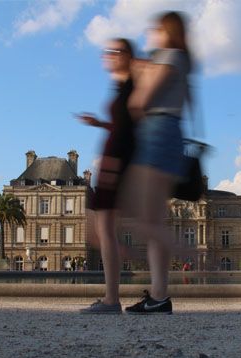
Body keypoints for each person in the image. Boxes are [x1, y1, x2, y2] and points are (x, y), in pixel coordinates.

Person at [123, 11, 192, 315]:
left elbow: (141, 101)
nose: (151, 32)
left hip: (157, 133)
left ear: (168, 31)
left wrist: (140, 78)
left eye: (156, 28)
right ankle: (159, 296)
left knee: (141, 216)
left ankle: (192, 255)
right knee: (153, 219)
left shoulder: (171, 57)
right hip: (167, 132)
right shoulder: (177, 60)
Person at [79, 38, 137, 315]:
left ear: (127, 54)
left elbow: (131, 127)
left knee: (102, 228)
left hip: (116, 160)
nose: (109, 56)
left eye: (115, 51)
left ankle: (112, 299)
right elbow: (121, 124)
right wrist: (99, 123)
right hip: (113, 159)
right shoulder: (122, 85)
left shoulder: (132, 85)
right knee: (99, 229)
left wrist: (118, 164)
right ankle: (111, 295)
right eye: (108, 51)